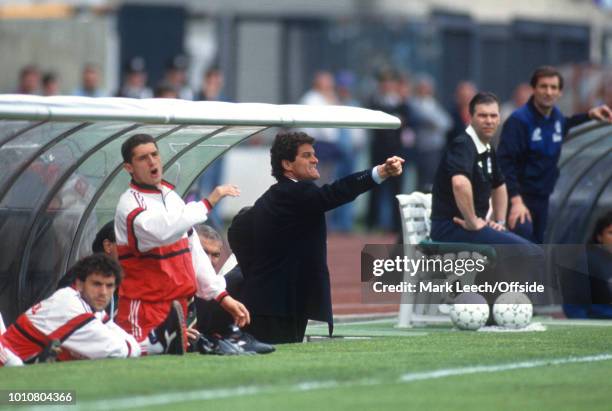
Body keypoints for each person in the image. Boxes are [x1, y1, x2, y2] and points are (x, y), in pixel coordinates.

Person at [242, 131, 404, 344]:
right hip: (277, 305)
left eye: (314, 154)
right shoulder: (297, 193)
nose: (315, 159)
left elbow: (239, 229)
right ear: (287, 164)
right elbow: (336, 192)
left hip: (273, 301)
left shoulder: (275, 195)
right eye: (307, 155)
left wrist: (251, 272)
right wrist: (380, 172)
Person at [114, 133, 250, 354]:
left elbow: (194, 251)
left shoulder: (171, 196)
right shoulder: (129, 204)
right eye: (142, 158)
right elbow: (162, 230)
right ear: (128, 167)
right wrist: (208, 202)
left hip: (177, 309)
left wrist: (222, 297)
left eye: (154, 154)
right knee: (132, 361)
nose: (152, 161)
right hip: (144, 310)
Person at [497, 66, 612, 243]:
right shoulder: (519, 121)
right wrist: (515, 201)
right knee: (520, 248)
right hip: (521, 199)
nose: (548, 92)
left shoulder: (556, 117)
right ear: (534, 89)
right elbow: (505, 164)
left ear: (559, 93)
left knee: (537, 248)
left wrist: (589, 116)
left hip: (542, 198)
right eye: (543, 87)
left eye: (553, 88)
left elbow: (564, 125)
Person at [0, 254, 174, 367]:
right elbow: (116, 351)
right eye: (97, 284)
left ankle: (156, 344)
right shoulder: (69, 305)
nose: (103, 292)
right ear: (79, 284)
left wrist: (131, 348)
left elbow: (128, 346)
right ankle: (156, 344)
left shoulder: (89, 306)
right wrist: (130, 348)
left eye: (109, 286)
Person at [412, 74, 452, 192]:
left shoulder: (432, 103)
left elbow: (447, 123)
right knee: (422, 181)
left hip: (435, 148)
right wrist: (435, 123)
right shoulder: (415, 103)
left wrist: (435, 123)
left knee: (432, 180)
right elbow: (425, 118)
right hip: (422, 147)